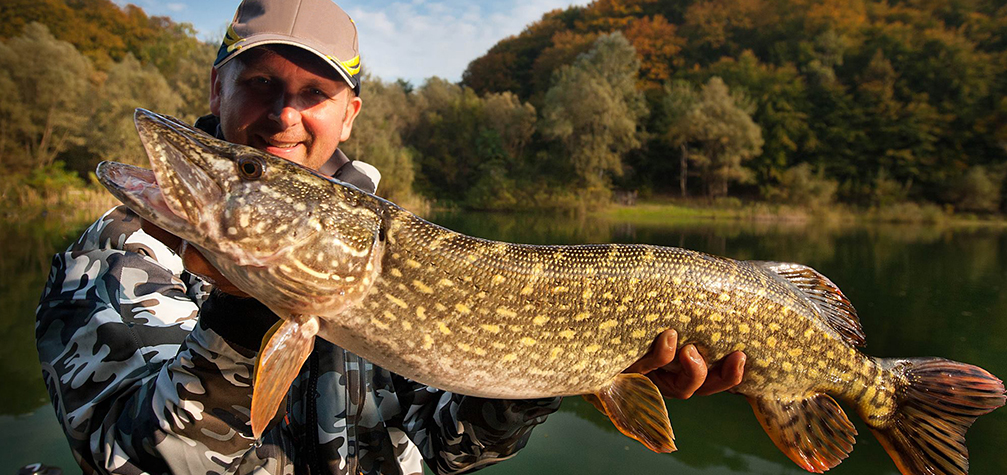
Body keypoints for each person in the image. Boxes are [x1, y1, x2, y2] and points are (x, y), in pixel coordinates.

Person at [35, 0, 745, 474]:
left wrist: (557, 372)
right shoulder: (115, 257)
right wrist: (248, 303)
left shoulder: (380, 246)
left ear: (348, 114)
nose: (285, 115)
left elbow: (436, 446)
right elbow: (129, 461)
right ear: (217, 88)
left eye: (314, 94)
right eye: (259, 83)